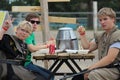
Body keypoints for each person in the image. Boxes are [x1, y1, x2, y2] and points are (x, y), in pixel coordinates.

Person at [72, 7, 120, 80]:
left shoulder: (117, 35)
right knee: (77, 77)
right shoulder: (101, 36)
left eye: (105, 19)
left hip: (116, 69)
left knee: (92, 75)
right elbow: (88, 48)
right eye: (100, 20)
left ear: (113, 19)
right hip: (104, 68)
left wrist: (91, 68)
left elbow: (110, 59)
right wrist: (82, 35)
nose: (102, 22)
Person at [24, 13, 54, 80]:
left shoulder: (31, 34)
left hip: (28, 63)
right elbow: (32, 48)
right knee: (49, 76)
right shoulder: (27, 33)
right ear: (27, 23)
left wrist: (45, 44)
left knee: (50, 74)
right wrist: (46, 45)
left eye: (37, 22)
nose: (35, 24)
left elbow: (33, 46)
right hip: (24, 64)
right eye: (32, 22)